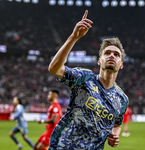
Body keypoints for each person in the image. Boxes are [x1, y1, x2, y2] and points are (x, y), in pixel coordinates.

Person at [47, 10, 129, 150]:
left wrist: (114, 136)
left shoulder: (122, 99)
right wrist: (73, 37)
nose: (111, 56)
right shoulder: (84, 78)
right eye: (107, 53)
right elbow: (54, 69)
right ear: (99, 61)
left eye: (116, 54)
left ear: (121, 64)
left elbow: (117, 124)